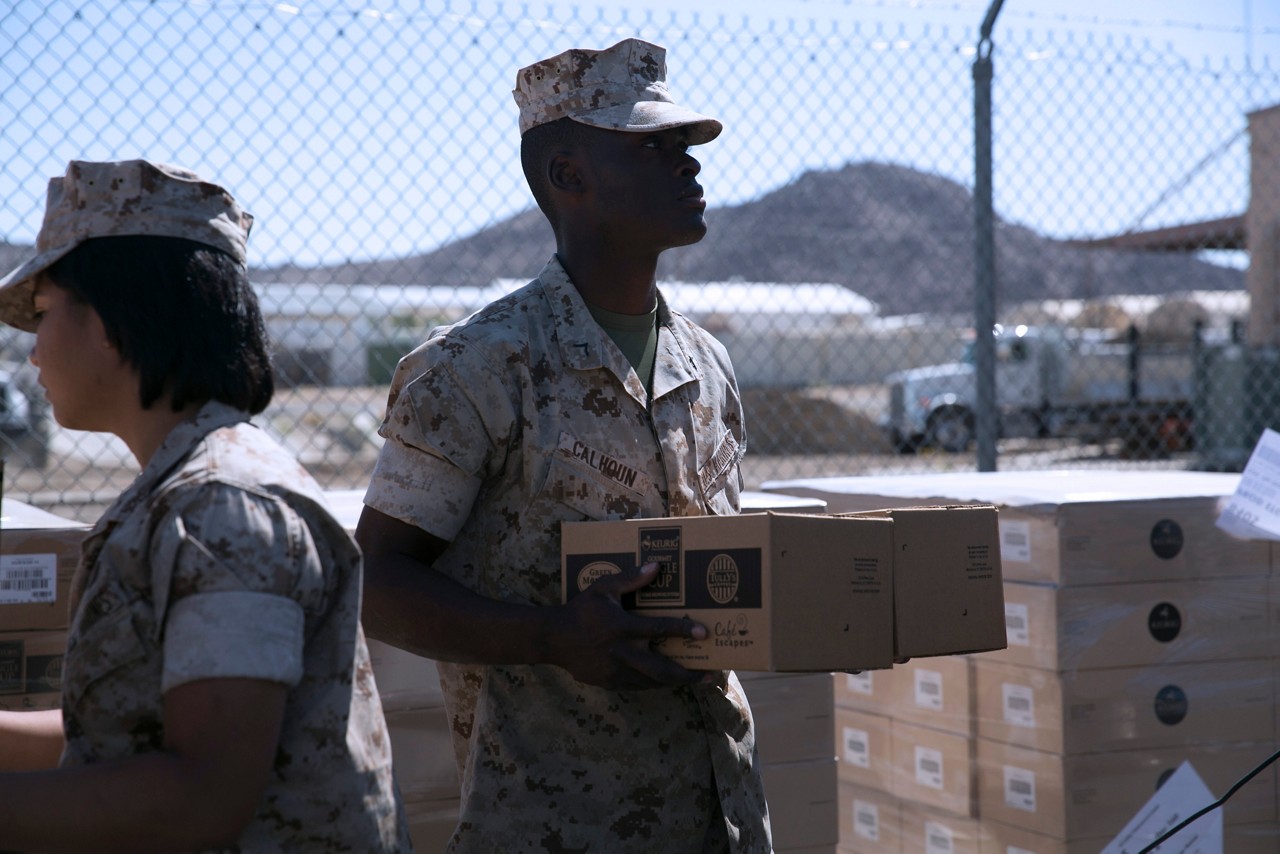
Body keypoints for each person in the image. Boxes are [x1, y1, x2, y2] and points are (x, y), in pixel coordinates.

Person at [356, 38, 771, 852]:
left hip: (723, 816)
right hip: (557, 824)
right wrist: (551, 638)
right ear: (568, 176)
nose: (687, 165)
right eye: (652, 146)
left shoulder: (707, 364)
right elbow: (374, 581)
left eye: (683, 145)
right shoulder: (475, 367)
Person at [0, 159, 411, 852]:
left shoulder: (222, 507)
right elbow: (123, 736)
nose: (33, 350)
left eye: (43, 314)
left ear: (116, 320)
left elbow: (201, 793)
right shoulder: (189, 487)